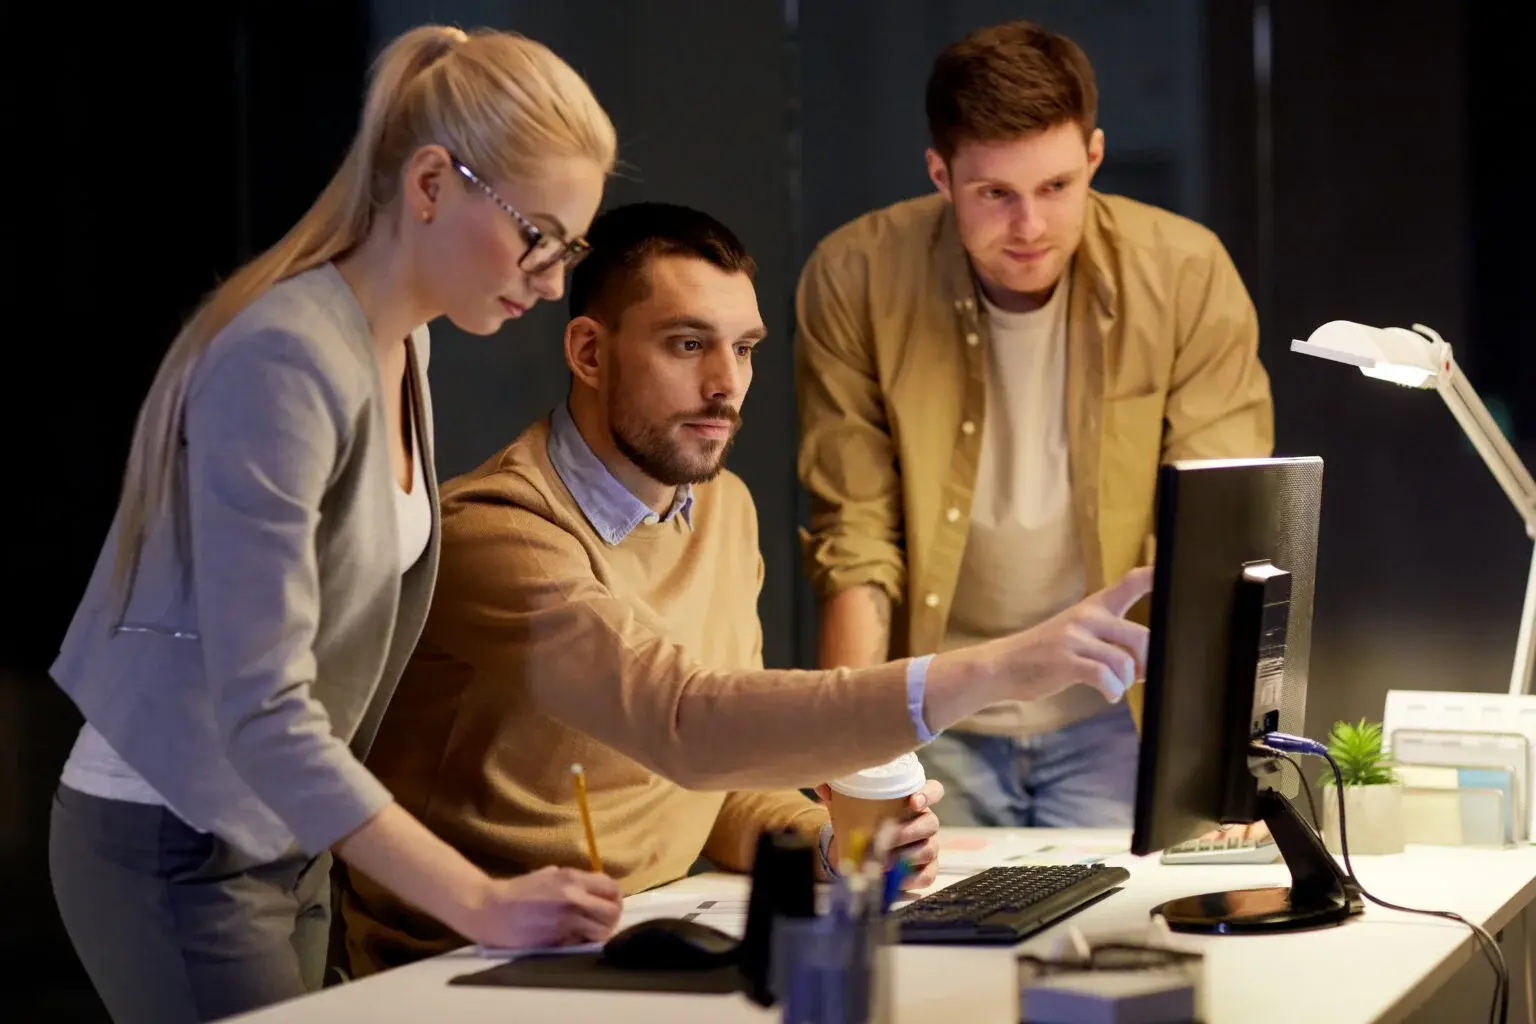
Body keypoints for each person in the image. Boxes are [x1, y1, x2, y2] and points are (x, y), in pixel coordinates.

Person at [335, 200, 1155, 977]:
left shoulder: (723, 509)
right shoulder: (497, 532)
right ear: (588, 353)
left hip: (648, 928)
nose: (726, 385)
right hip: (465, 963)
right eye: (688, 345)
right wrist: (1001, 668)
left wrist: (833, 845)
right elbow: (684, 721)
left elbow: (722, 782)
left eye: (745, 348)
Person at [46, 25, 626, 1024]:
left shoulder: (406, 347)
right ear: (431, 183)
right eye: (537, 235)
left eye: (567, 248)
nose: (549, 279)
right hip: (178, 833)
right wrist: (479, 900)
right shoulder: (283, 357)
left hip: (282, 833)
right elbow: (264, 708)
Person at [795, 19, 1274, 830]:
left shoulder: (1185, 275)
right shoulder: (855, 276)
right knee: (920, 911)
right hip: (938, 704)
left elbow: (1212, 538)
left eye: (1055, 186)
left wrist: (1221, 758)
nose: (1030, 227)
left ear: (1094, 156)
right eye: (996, 194)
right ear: (941, 174)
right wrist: (852, 757)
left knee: (1123, 912)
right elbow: (855, 536)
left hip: (1118, 705)